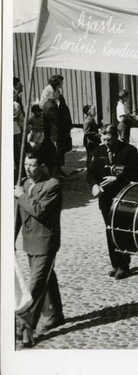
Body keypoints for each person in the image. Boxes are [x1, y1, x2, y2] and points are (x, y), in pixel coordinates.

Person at [14, 149, 65, 347]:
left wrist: (20, 196)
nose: (28, 168)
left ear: (42, 166)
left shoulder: (53, 185)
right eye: (26, 164)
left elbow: (40, 211)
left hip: (46, 242)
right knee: (47, 278)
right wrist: (11, 238)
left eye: (32, 165)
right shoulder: (24, 184)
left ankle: (26, 330)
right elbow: (18, 214)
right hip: (29, 241)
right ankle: (55, 313)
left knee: (35, 285)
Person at [87, 124, 138, 279]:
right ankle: (115, 264)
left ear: (116, 136)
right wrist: (94, 186)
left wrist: (117, 178)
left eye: (109, 139)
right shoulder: (98, 151)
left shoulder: (129, 150)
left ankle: (124, 265)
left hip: (124, 197)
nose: (106, 142)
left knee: (121, 229)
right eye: (103, 139)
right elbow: (90, 173)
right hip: (105, 198)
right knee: (110, 229)